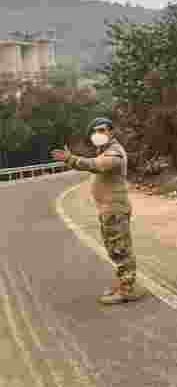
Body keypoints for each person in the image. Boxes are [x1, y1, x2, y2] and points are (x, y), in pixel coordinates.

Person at [51, 118, 143, 305]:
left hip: (115, 209)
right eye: (95, 131)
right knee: (114, 249)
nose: (98, 134)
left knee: (120, 249)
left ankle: (128, 289)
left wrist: (71, 159)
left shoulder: (114, 152)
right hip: (108, 209)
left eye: (102, 130)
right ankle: (122, 284)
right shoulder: (105, 151)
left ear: (111, 132)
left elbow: (96, 165)